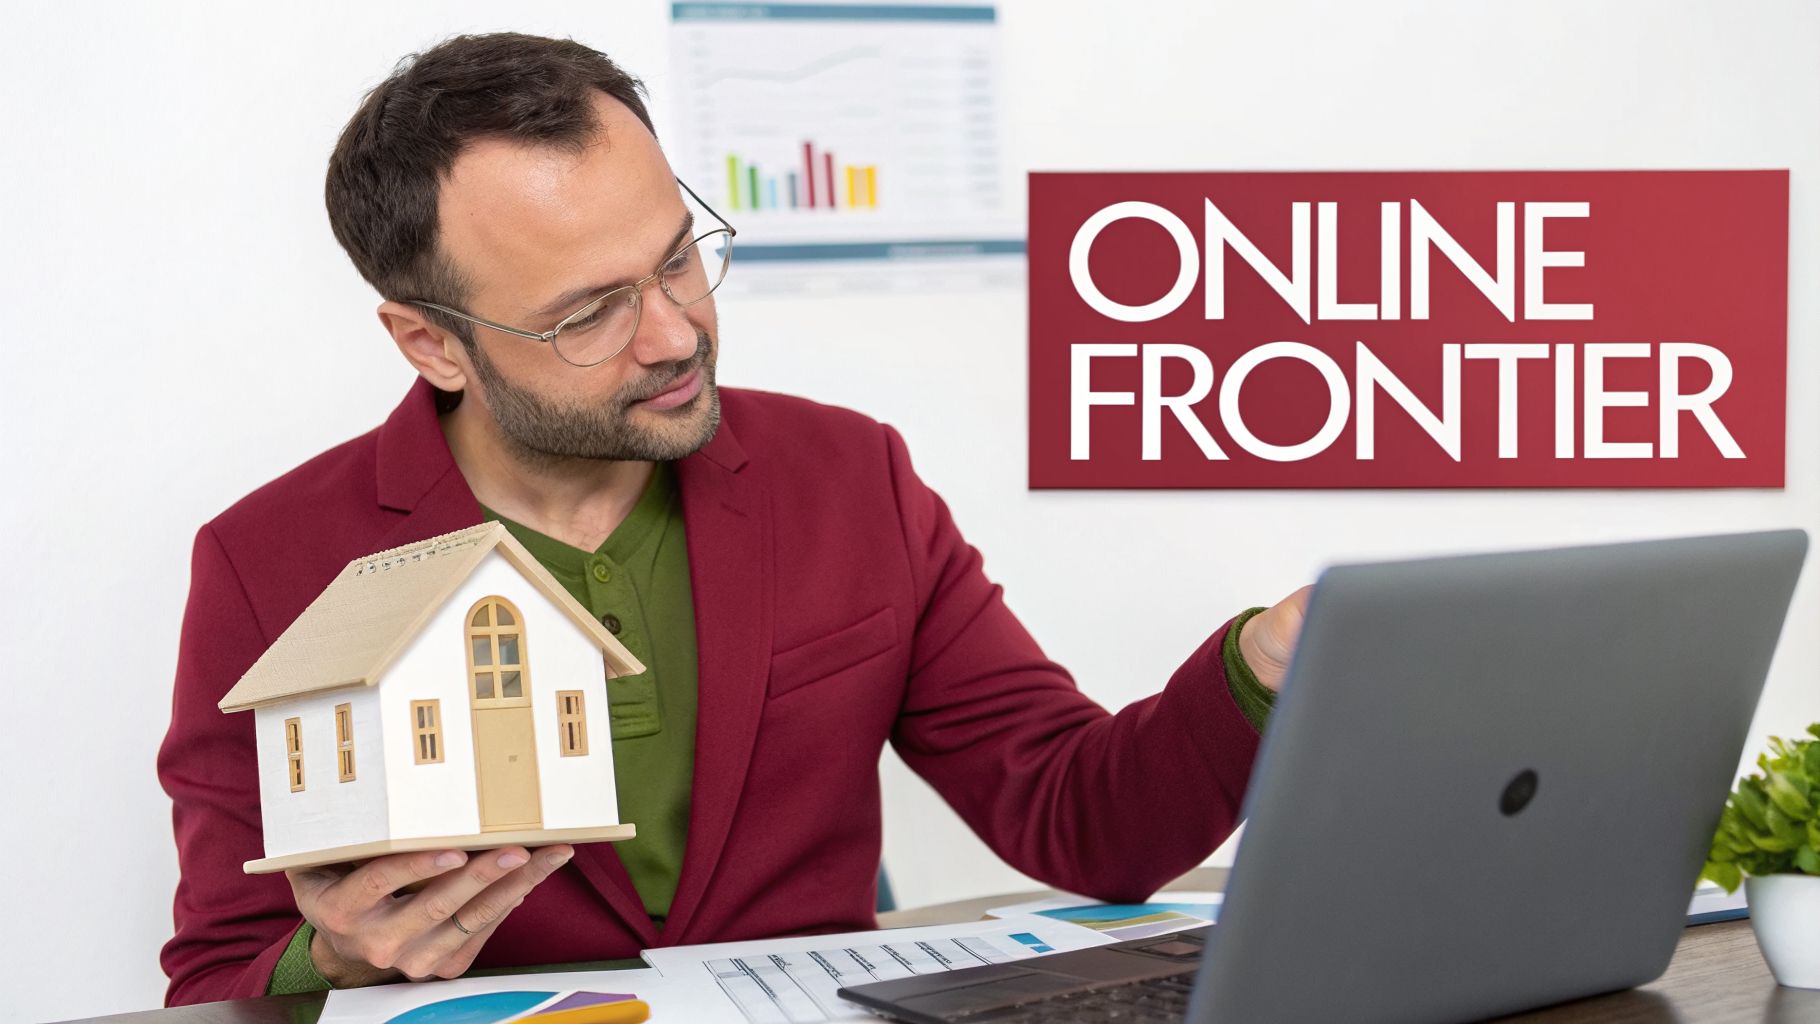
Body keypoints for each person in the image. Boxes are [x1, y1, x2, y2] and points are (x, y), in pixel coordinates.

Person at [156, 31, 1312, 1006]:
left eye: (676, 261)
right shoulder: (271, 562)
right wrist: (338, 953)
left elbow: (1080, 821)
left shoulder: (850, 474)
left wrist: (1255, 666)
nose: (670, 334)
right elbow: (216, 977)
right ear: (430, 341)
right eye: (587, 314)